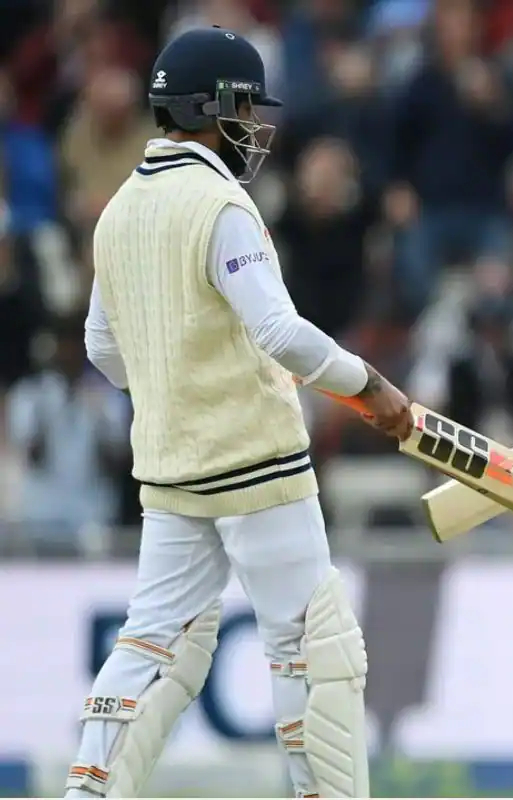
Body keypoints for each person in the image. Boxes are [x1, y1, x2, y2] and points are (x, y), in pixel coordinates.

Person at [71, 27, 413, 799]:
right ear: (211, 107)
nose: (255, 126)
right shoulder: (222, 201)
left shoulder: (119, 211)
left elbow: (101, 347)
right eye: (246, 108)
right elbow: (278, 331)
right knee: (312, 647)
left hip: (170, 468)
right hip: (259, 465)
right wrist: (370, 387)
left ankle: (88, 792)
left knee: (153, 647)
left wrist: (175, 385)